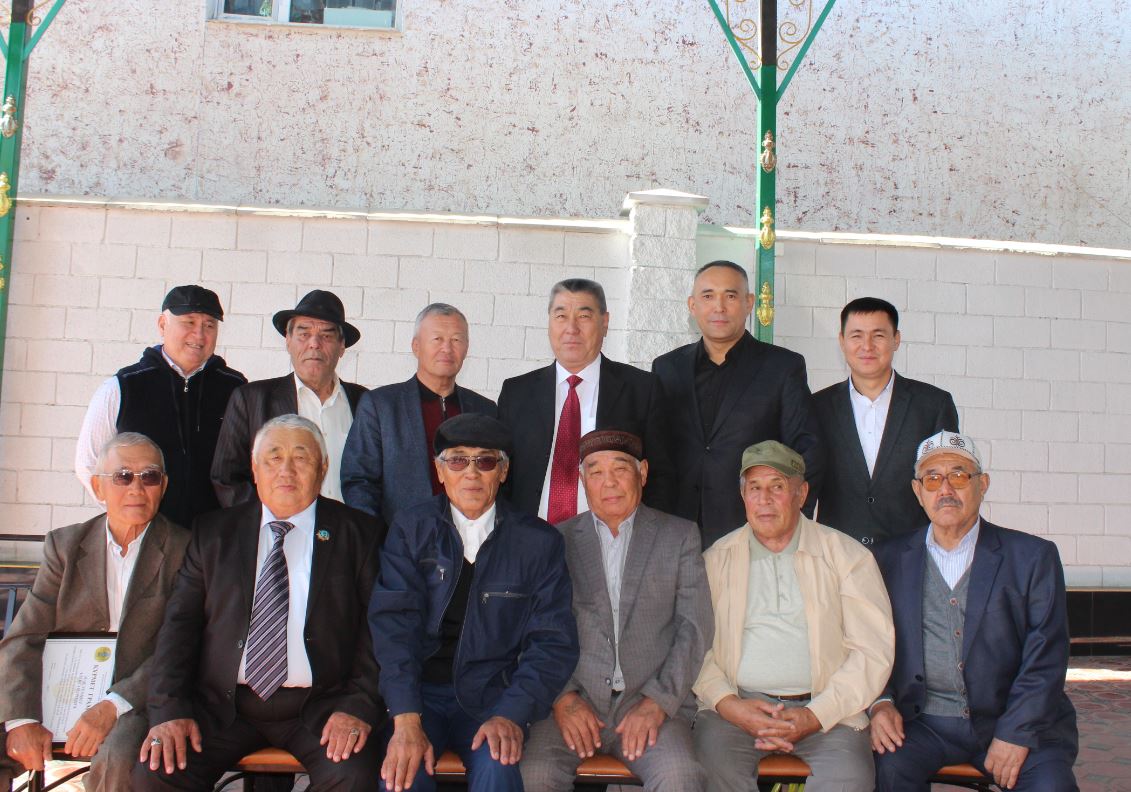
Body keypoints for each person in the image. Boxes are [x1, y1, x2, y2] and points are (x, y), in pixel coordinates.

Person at [133, 415, 385, 791]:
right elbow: (179, 629)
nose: (286, 469)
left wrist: (357, 706)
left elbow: (378, 630)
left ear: (323, 467)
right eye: (274, 457)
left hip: (323, 708)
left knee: (353, 776)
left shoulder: (360, 534)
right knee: (158, 772)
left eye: (301, 457)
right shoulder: (213, 533)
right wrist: (169, 711)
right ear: (254, 468)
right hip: (223, 708)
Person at [370, 413, 578, 792]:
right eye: (457, 460)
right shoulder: (411, 529)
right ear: (440, 471)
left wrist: (511, 713)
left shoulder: (538, 543)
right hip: (420, 696)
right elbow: (393, 629)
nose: (471, 473)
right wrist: (405, 718)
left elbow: (552, 643)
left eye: (485, 461)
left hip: (494, 697)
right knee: (400, 777)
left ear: (503, 471)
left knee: (498, 769)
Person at [870, 431, 1078, 792]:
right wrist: (882, 702)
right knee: (887, 770)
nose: (945, 489)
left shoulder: (1032, 557)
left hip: (1011, 720)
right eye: (932, 478)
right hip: (923, 724)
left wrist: (1015, 733)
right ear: (918, 491)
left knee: (1051, 787)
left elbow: (1047, 656)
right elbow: (868, 642)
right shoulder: (886, 559)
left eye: (959, 475)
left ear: (982, 484)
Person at [693, 440, 893, 792]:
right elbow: (694, 646)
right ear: (743, 496)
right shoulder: (716, 559)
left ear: (801, 494)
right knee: (709, 773)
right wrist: (730, 705)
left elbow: (872, 651)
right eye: (754, 488)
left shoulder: (848, 556)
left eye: (777, 487)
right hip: (736, 712)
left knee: (849, 780)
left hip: (828, 713)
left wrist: (815, 715)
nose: (764, 499)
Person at [521, 429, 712, 791]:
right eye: (595, 472)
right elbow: (532, 630)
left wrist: (658, 702)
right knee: (533, 777)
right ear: (582, 480)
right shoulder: (553, 541)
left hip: (648, 704)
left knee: (679, 776)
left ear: (643, 472)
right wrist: (562, 698)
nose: (608, 482)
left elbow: (694, 628)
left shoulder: (679, 536)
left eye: (620, 469)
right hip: (572, 705)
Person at [0, 433, 190, 791]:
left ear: (163, 486)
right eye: (123, 476)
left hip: (133, 698)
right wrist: (22, 720)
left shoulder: (184, 549)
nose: (136, 488)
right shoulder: (65, 546)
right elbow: (24, 637)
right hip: (60, 689)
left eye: (149, 477)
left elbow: (179, 647)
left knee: (120, 755)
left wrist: (112, 705)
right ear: (98, 486)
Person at [652, 261, 821, 548]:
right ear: (692, 305)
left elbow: (807, 451)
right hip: (675, 530)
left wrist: (787, 523)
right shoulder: (667, 368)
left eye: (730, 296)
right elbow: (656, 451)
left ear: (749, 303)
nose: (719, 307)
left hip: (752, 533)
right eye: (708, 296)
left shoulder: (782, 367)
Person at [498, 278, 673, 522]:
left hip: (611, 536)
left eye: (584, 316)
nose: (571, 328)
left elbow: (662, 478)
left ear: (605, 322)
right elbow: (500, 476)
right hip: (528, 536)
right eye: (561, 316)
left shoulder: (642, 390)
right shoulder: (516, 393)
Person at [74, 285, 247, 529]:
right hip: (146, 535)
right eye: (189, 322)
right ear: (162, 325)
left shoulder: (236, 388)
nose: (199, 335)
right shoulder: (123, 386)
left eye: (209, 325)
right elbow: (89, 464)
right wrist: (128, 514)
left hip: (217, 536)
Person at [813, 297, 959, 545]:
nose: (867, 346)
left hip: (912, 553)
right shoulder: (817, 407)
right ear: (842, 341)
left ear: (896, 340)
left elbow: (947, 482)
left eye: (878, 335)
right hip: (837, 552)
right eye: (857, 336)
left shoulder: (933, 405)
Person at [341, 303, 496, 525]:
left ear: (466, 348)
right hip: (401, 539)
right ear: (416, 346)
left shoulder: (484, 410)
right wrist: (380, 538)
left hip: (469, 539)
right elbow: (358, 480)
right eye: (437, 339)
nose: (447, 348)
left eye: (456, 340)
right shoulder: (380, 406)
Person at [212, 289, 367, 506]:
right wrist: (270, 521)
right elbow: (227, 478)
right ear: (288, 340)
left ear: (342, 346)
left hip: (349, 525)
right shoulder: (251, 400)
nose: (314, 344)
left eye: (326, 335)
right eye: (304, 334)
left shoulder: (366, 403)